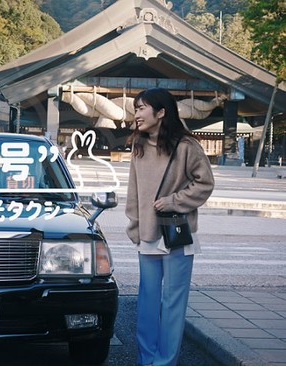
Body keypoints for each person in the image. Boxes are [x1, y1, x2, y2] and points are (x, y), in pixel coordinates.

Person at [125, 87, 214, 365]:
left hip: (177, 234)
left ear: (161, 112)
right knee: (147, 303)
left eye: (141, 108)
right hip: (148, 236)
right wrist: (135, 227)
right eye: (136, 108)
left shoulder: (187, 146)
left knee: (173, 304)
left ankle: (165, 362)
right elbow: (133, 191)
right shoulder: (138, 146)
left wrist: (174, 200)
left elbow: (205, 183)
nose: (136, 113)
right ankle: (146, 359)